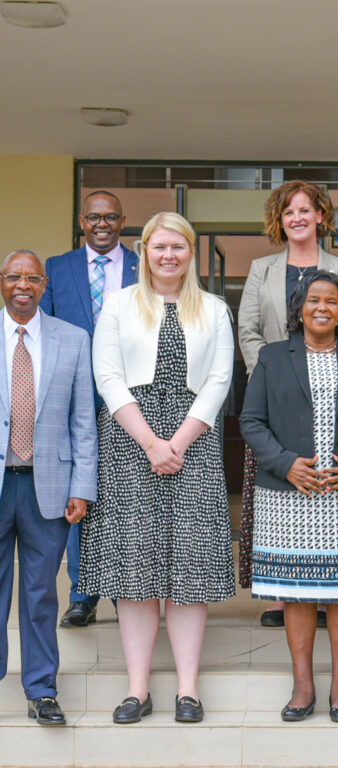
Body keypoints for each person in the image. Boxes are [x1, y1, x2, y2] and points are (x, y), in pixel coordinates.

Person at [79, 212, 235, 724]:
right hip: (130, 443)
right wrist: (150, 442)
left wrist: (178, 442)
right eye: (160, 247)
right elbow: (108, 376)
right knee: (134, 570)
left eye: (179, 247)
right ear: (144, 250)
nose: (169, 256)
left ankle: (188, 690)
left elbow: (219, 380)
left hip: (195, 441)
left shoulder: (213, 308)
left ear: (191, 253)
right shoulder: (120, 305)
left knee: (189, 567)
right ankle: (137, 689)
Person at [240, 271, 338, 724]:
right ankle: (303, 686)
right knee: (296, 594)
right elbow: (251, 421)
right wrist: (286, 462)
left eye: (332, 300)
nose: (323, 307)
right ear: (300, 307)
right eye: (314, 300)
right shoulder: (272, 357)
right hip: (289, 494)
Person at [238, 180, 338, 628]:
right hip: (276, 401)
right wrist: (275, 377)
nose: (298, 219)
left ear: (321, 217)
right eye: (289, 212)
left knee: (327, 486)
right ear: (279, 220)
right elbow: (249, 330)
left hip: (332, 396)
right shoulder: (261, 269)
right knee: (274, 490)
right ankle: (278, 593)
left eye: (306, 210)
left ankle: (327, 591)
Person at [0, 249, 97, 725]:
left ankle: (41, 690)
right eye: (14, 277)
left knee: (41, 593)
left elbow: (84, 422)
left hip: (49, 487)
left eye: (32, 278)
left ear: (44, 285)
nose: (23, 285)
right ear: (2, 282)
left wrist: (82, 486)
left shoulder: (73, 339)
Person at [39, 190, 138, 629]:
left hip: (132, 400)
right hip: (72, 398)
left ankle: (125, 590)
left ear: (122, 221)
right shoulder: (57, 268)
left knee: (124, 496)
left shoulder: (142, 267)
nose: (103, 224)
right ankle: (82, 592)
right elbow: (44, 331)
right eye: (95, 217)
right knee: (78, 493)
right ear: (82, 221)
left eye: (111, 217)